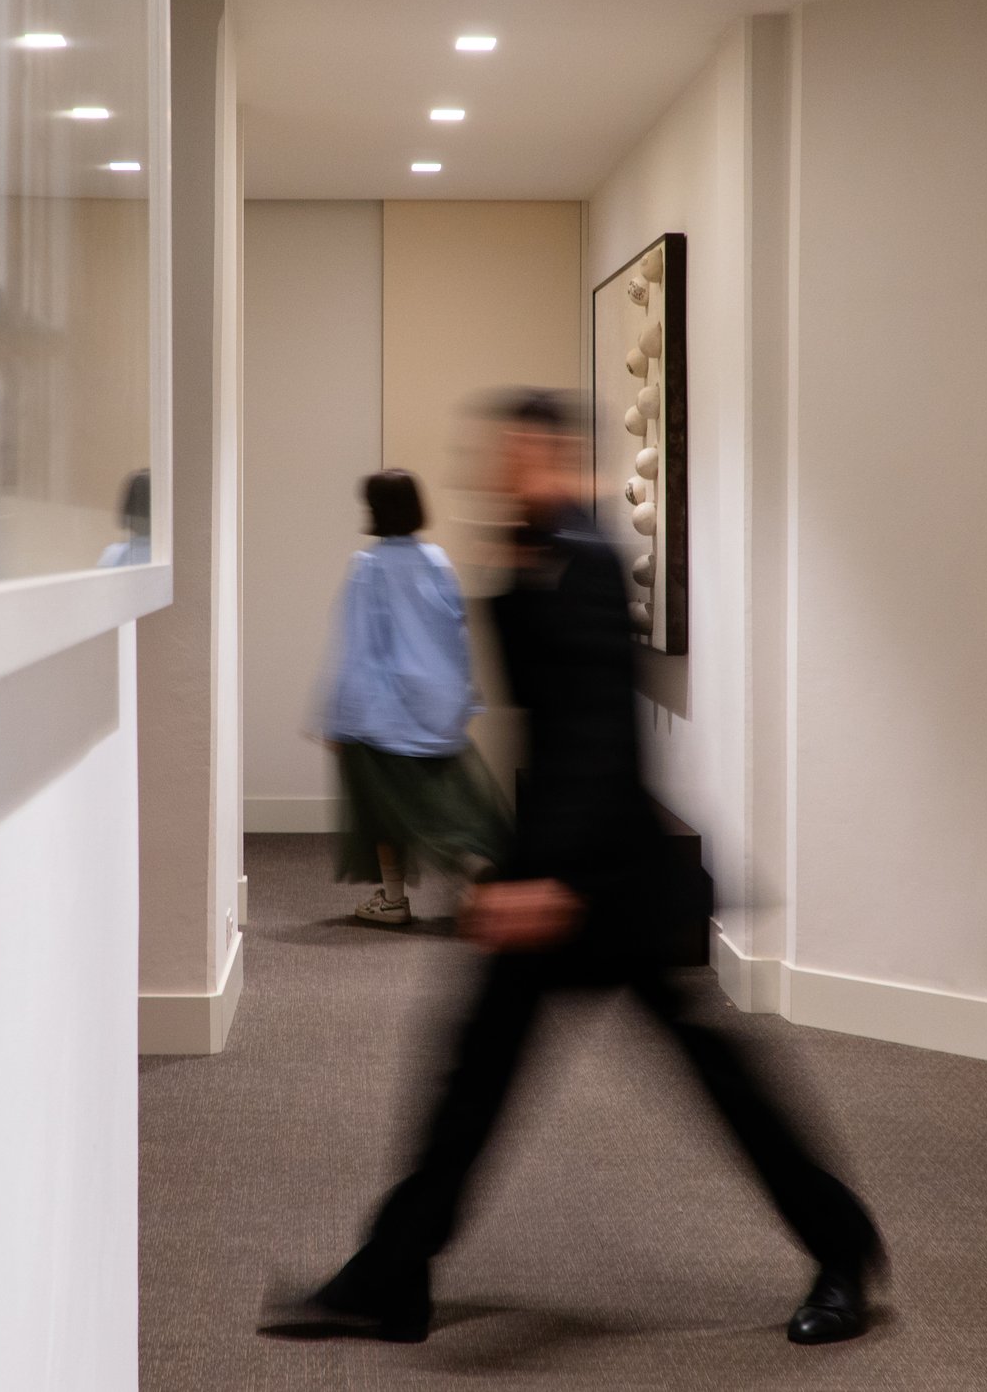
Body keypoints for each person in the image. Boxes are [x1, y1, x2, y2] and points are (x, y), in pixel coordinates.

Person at [307, 391, 883, 1346]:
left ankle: (843, 1251)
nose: (500, 471)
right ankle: (392, 1272)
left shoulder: (580, 562)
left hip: (602, 885)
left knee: (716, 1082)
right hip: (563, 873)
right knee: (474, 1077)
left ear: (559, 460)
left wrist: (551, 879)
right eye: (497, 457)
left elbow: (600, 740)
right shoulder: (532, 554)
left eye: (519, 456)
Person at [317, 469, 507, 925]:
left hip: (382, 715)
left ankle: (395, 898)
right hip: (437, 708)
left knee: (384, 810)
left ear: (374, 510)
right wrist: (464, 700)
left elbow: (359, 649)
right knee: (444, 806)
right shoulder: (437, 561)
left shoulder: (369, 567)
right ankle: (474, 871)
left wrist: (339, 719)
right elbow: (456, 635)